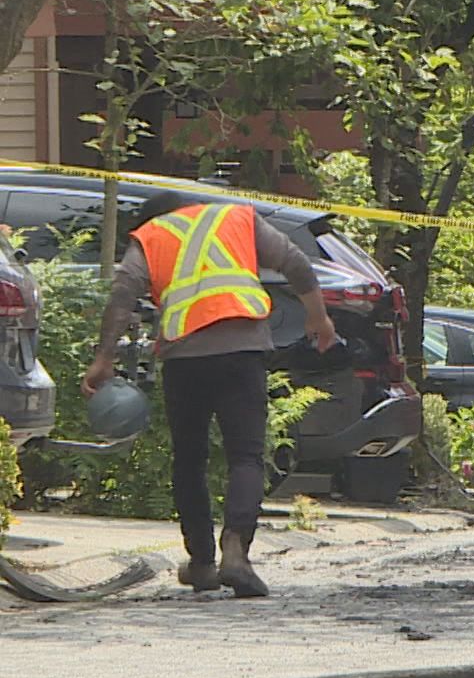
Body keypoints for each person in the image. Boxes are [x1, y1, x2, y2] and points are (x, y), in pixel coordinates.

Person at [83, 190, 338, 598]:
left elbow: (122, 294)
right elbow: (295, 262)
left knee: (189, 458)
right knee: (246, 455)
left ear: (157, 217)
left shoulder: (151, 234)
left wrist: (103, 359)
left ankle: (202, 563)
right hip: (243, 350)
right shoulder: (237, 218)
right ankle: (236, 553)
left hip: (185, 356)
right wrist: (318, 318)